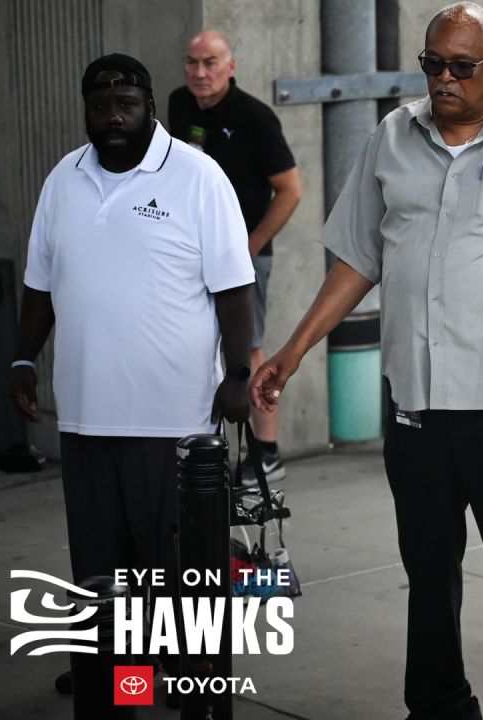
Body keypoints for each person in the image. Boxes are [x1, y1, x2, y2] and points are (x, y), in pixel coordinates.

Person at [249, 5, 483, 718]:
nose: (443, 79)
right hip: (415, 405)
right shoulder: (391, 136)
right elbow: (358, 257)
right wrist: (293, 349)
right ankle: (439, 704)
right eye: (432, 63)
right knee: (429, 572)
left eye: (460, 67)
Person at [10, 53, 253, 704]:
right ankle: (122, 689)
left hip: (172, 422)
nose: (113, 116)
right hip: (88, 421)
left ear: (149, 105)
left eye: (126, 104)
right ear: (86, 110)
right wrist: (23, 358)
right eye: (100, 105)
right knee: (101, 579)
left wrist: (239, 374)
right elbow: (41, 282)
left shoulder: (198, 178)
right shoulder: (65, 179)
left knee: (180, 578)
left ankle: (191, 690)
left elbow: (234, 291)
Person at [168, 29, 303, 481]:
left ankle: (266, 452)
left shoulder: (254, 117)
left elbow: (290, 190)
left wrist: (252, 243)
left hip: (245, 255)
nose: (200, 72)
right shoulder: (178, 104)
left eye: (210, 63)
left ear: (231, 66)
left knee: (248, 343)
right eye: (192, 62)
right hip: (191, 251)